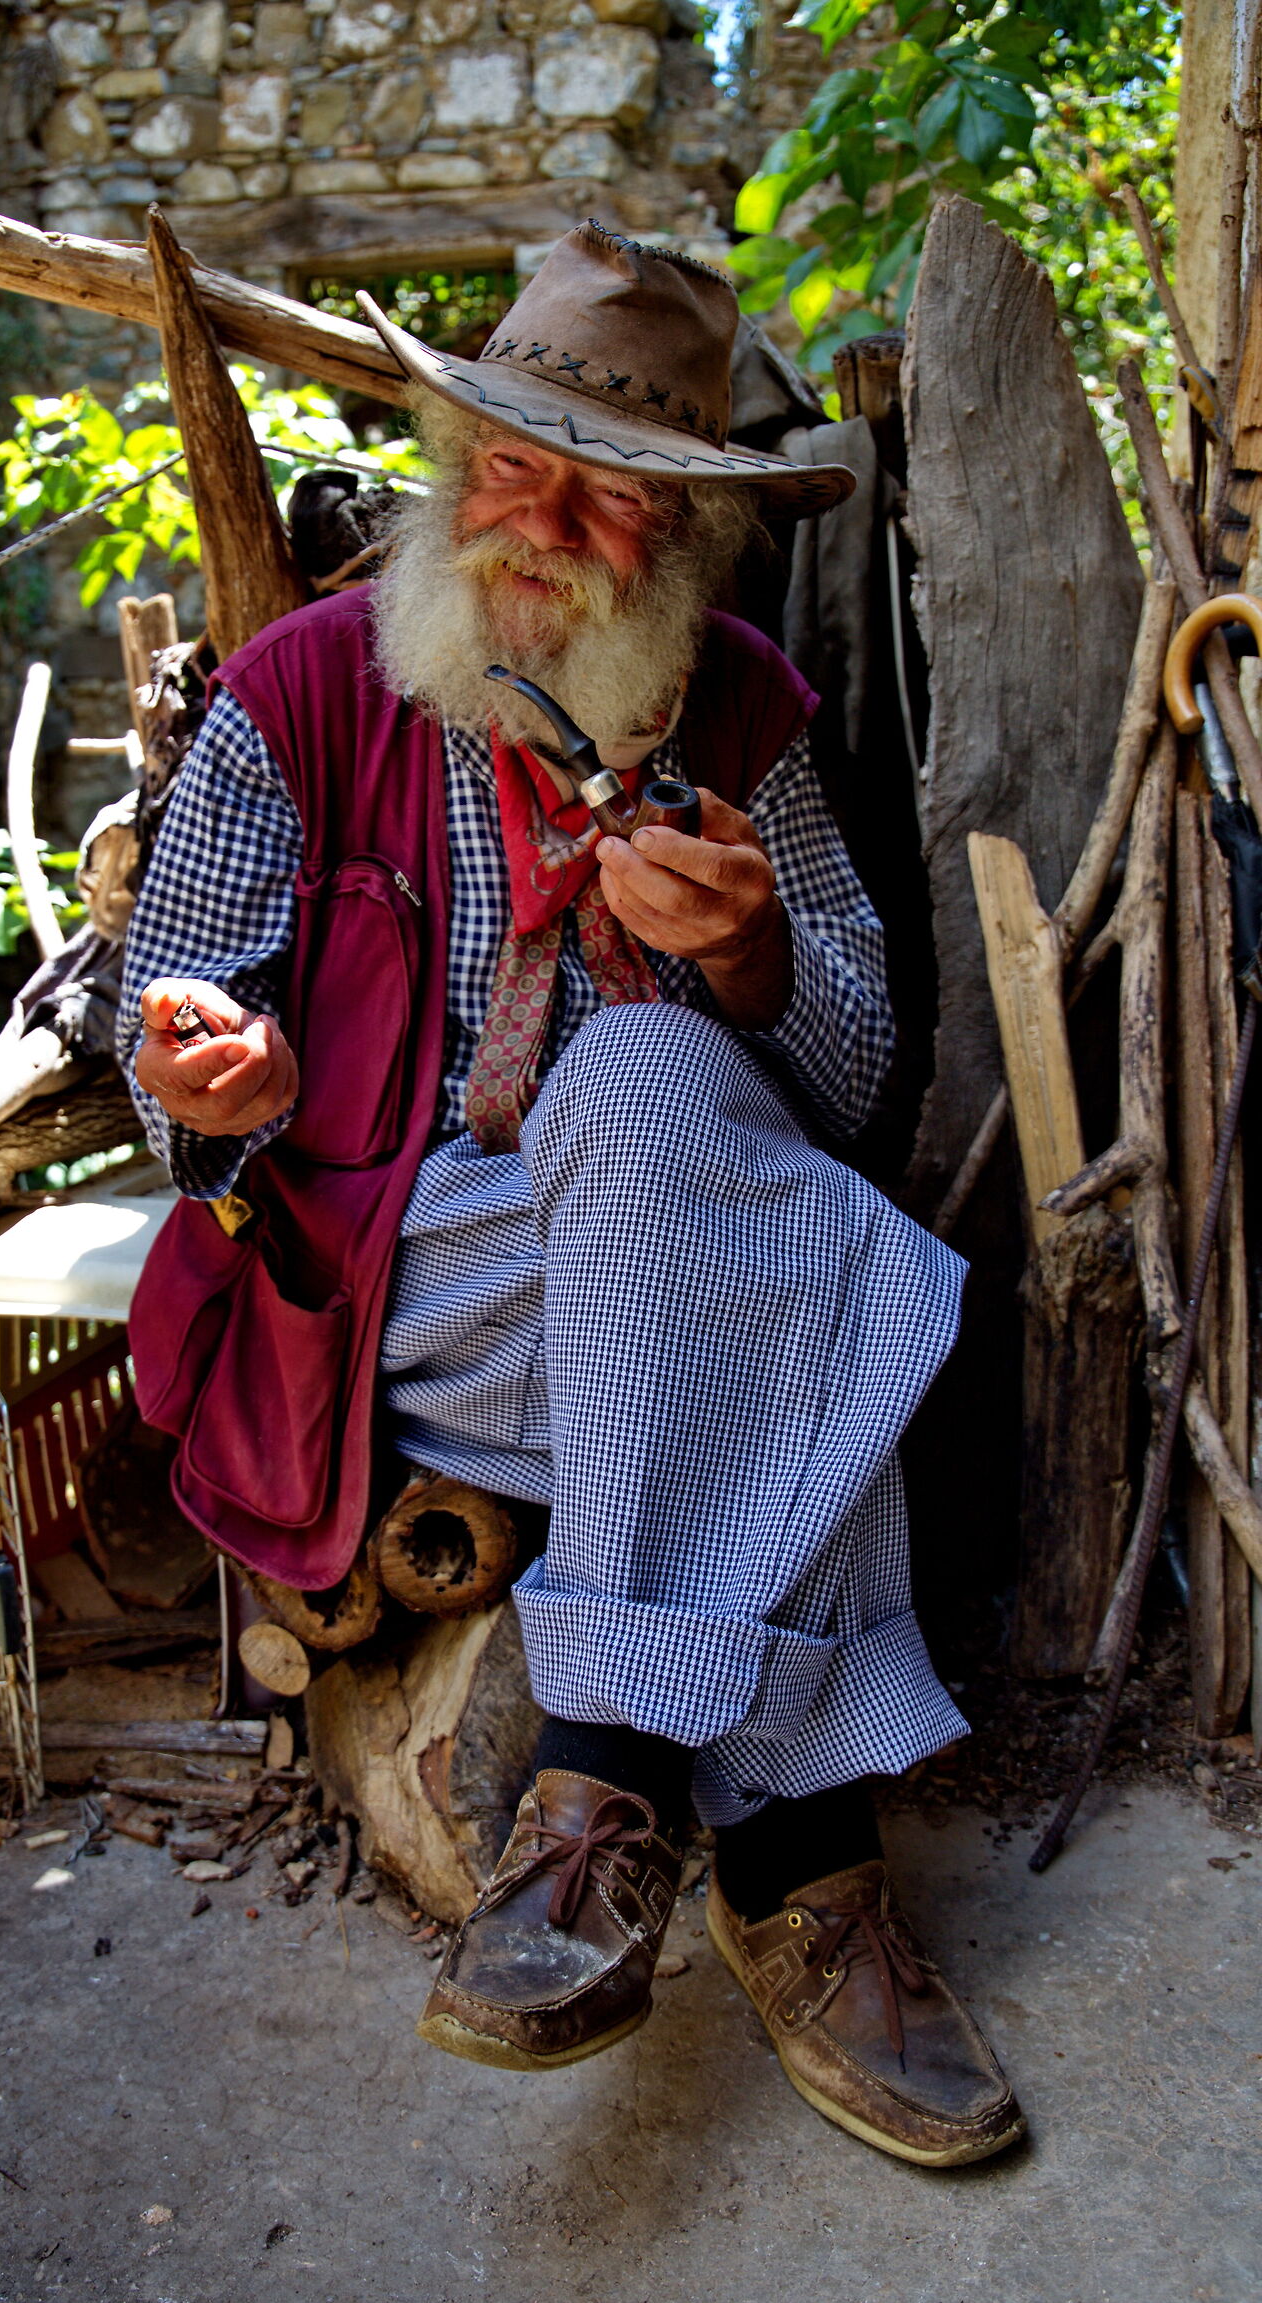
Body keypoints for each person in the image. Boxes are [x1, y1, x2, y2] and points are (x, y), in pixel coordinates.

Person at [118, 222, 1023, 2168]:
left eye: (604, 497)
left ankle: (600, 1795)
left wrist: (760, 966)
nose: (540, 526)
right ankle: (802, 1866)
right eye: (509, 470)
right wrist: (225, 1088)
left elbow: (852, 1081)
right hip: (402, 1298)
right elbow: (164, 1061)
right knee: (815, 1278)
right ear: (451, 477)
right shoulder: (299, 701)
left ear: (682, 540)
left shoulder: (740, 710)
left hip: (658, 1276)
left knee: (658, 1099)